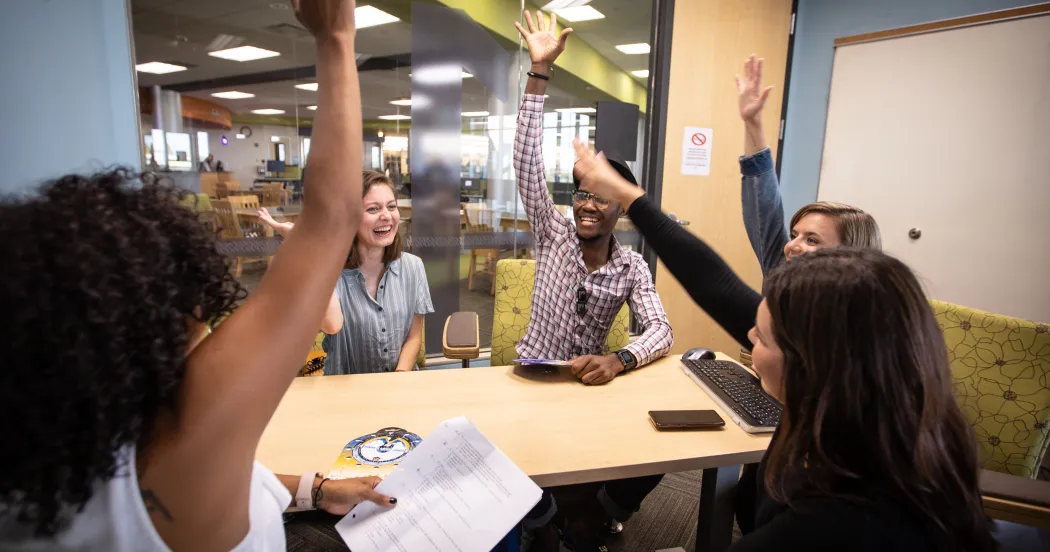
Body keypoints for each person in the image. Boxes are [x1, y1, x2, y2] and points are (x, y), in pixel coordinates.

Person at [0, 2, 398, 550]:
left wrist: (314, 487)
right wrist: (335, 36)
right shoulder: (182, 439)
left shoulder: (53, 458)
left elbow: (237, 477)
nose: (207, 324)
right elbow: (329, 221)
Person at [573, 144, 997, 550]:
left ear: (810, 358)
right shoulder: (887, 418)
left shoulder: (837, 516)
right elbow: (713, 283)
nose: (750, 338)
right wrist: (628, 196)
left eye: (761, 336)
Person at [513, 11, 673, 551]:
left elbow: (660, 331)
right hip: (533, 378)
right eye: (581, 192)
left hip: (588, 387)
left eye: (599, 196)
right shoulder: (553, 234)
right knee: (542, 494)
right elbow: (526, 165)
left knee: (659, 451)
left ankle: (592, 514)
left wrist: (619, 359)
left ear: (619, 209)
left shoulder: (631, 267)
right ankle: (557, 518)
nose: (586, 204)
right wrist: (539, 73)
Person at [256, 170, 432, 375]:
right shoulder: (330, 273)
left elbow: (414, 337)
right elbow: (332, 325)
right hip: (344, 393)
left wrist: (399, 378)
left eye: (391, 206)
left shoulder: (414, 267)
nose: (386, 215)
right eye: (373, 209)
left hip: (401, 386)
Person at [735, 54, 880, 275]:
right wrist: (753, 123)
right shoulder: (786, 270)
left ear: (849, 256)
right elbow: (763, 209)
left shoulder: (861, 307)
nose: (792, 246)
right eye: (795, 236)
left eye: (812, 240)